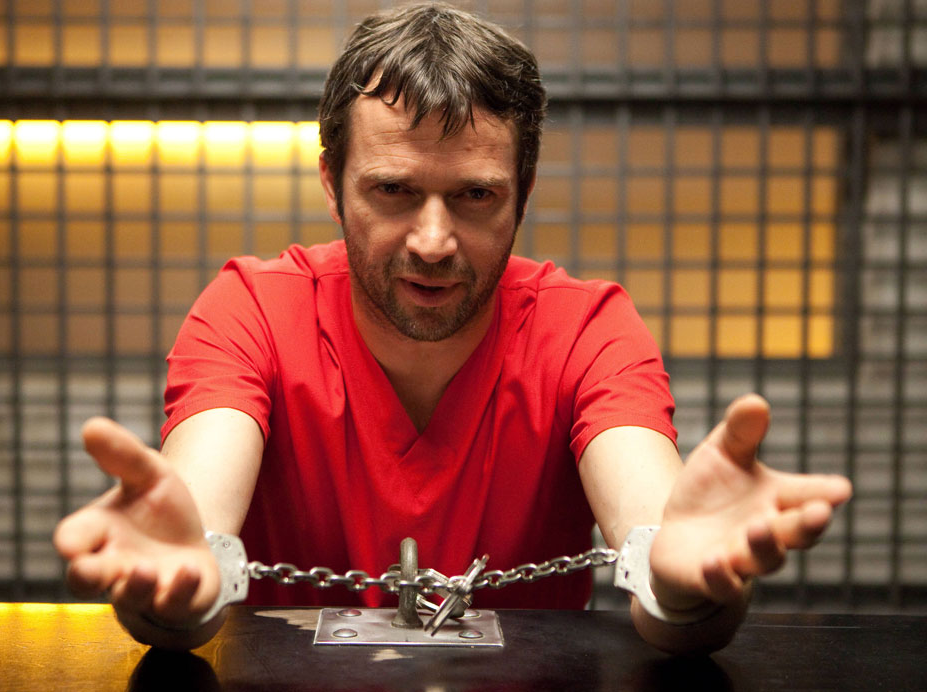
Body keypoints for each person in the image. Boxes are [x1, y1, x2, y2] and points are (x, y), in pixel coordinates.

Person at [53, 3, 852, 655]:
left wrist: (683, 589)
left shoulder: (587, 329)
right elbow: (194, 533)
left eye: (474, 196)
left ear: (523, 192)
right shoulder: (251, 312)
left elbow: (659, 542)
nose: (433, 242)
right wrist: (173, 590)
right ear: (332, 183)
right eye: (393, 191)